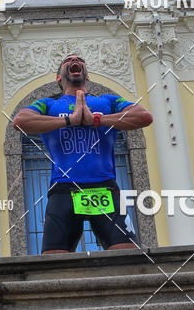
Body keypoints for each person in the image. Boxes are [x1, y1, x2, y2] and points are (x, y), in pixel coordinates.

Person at [12, 53, 153, 253]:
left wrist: (96, 120)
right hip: (64, 190)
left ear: (87, 76)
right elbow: (20, 121)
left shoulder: (108, 101)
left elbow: (143, 116)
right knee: (53, 265)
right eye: (67, 61)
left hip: (104, 188)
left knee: (127, 257)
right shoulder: (48, 105)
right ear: (59, 78)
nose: (74, 61)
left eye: (79, 60)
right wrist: (70, 120)